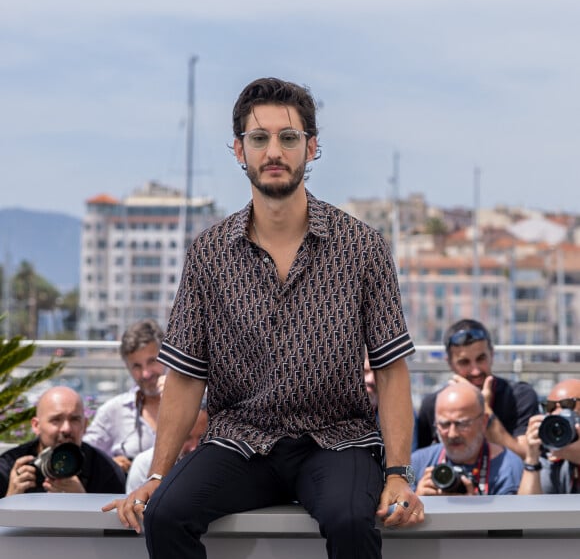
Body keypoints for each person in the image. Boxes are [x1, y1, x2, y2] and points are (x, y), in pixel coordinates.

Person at [104, 76, 424, 558]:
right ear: (239, 150)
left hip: (337, 440)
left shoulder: (362, 247)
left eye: (288, 138)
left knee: (350, 520)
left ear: (311, 148)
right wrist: (158, 476)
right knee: (166, 514)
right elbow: (187, 375)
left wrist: (398, 474)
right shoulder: (209, 253)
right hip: (241, 440)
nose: (274, 151)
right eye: (259, 138)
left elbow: (391, 368)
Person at [416, 318, 538, 459]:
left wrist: (483, 408)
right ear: (449, 363)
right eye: (464, 362)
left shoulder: (520, 396)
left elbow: (524, 457)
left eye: (481, 359)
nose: (475, 371)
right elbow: (420, 461)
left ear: (491, 355)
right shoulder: (433, 404)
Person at [0, 386, 125, 497]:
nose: (66, 429)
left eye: (74, 419)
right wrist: (12, 496)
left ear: (85, 425)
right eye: (56, 420)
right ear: (36, 425)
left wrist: (84, 501)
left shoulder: (104, 469)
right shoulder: (11, 467)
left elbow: (114, 522)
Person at [84, 319, 165, 473]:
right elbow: (85, 455)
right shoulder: (113, 411)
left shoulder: (195, 405)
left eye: (152, 361)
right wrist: (110, 465)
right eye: (136, 366)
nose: (146, 373)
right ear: (127, 367)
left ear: (167, 357)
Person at [412, 383, 523, 496]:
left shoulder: (508, 467)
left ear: (484, 422)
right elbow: (396, 510)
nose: (452, 434)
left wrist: (473, 509)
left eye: (462, 424)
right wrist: (418, 500)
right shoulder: (417, 463)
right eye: (444, 424)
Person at [126, 394, 209, 493]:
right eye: (186, 438)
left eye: (202, 438)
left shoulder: (221, 465)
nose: (193, 447)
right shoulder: (144, 464)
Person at [518, 378, 580, 494]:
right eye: (550, 407)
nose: (557, 413)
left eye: (567, 405)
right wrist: (532, 459)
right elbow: (528, 508)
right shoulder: (547, 455)